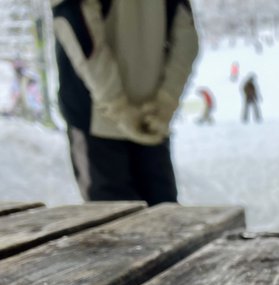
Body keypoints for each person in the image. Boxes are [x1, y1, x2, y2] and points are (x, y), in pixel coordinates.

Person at [51, 0, 199, 205]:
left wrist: (117, 106)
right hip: (151, 117)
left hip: (97, 119)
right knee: (162, 212)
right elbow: (186, 40)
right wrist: (165, 101)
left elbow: (76, 28)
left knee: (113, 216)